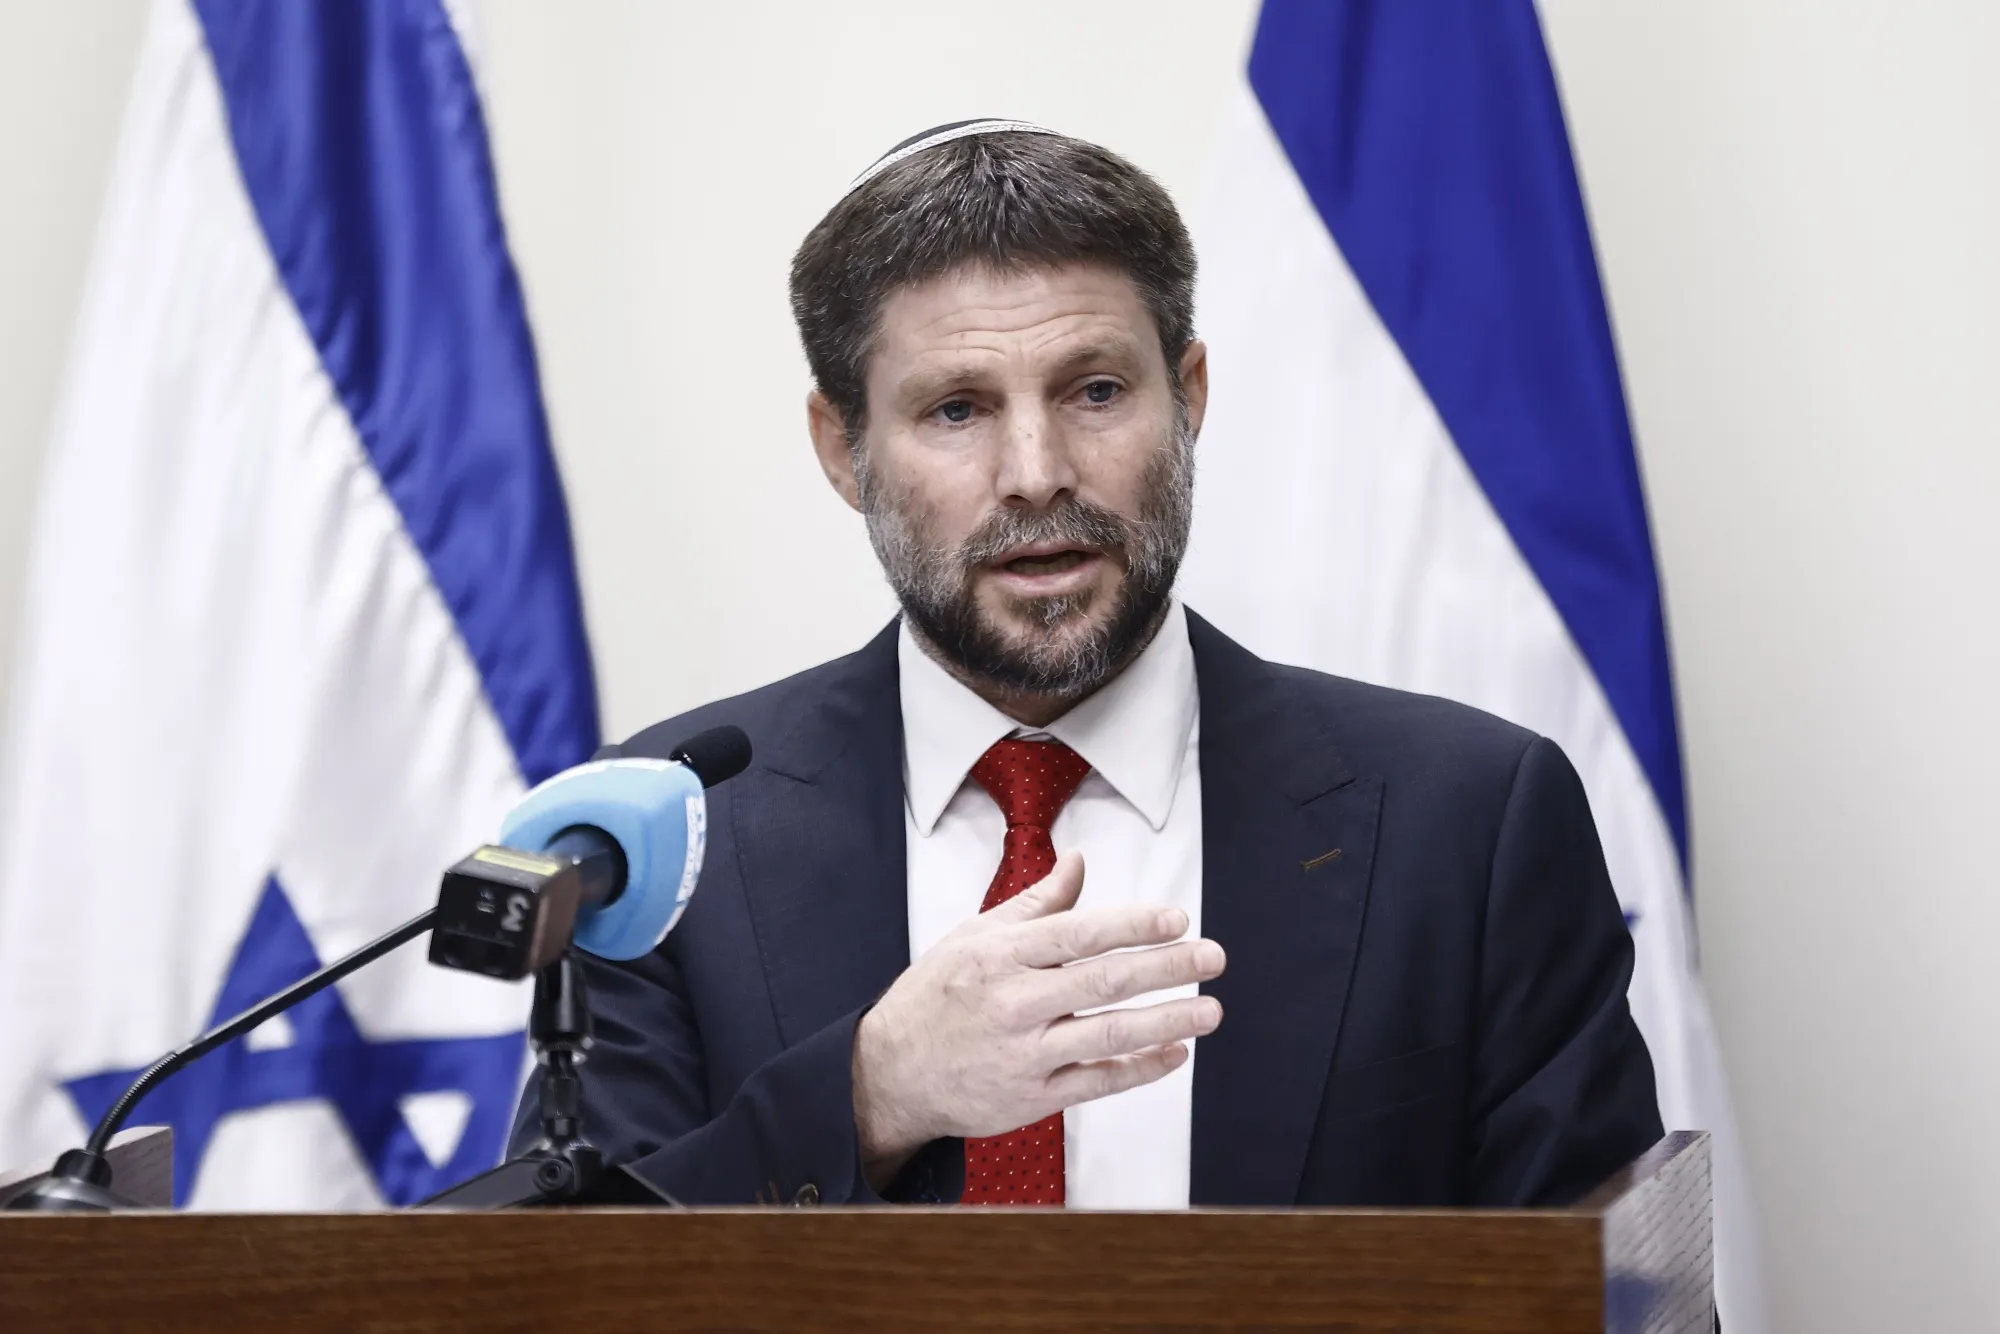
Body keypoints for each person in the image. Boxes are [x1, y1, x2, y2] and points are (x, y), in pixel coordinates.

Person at [509, 120, 1662, 1208]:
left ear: (1188, 398)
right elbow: (569, 1287)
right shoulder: (666, 834)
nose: (1035, 471)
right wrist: (870, 1093)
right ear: (841, 447)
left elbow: (1614, 1296)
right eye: (955, 409)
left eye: (1095, 390)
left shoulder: (1467, 820)